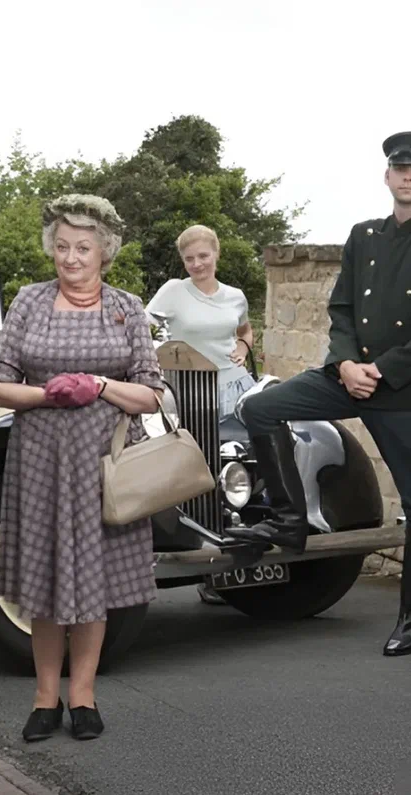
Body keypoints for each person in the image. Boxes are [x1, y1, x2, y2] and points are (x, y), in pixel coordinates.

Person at [228, 127, 411, 657]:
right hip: (347, 375)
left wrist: (378, 370)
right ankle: (289, 522)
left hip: (409, 393)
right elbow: (341, 309)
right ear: (387, 175)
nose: (408, 177)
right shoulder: (364, 236)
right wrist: (343, 363)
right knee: (261, 408)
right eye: (400, 169)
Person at [0, 194, 163, 742]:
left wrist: (99, 385)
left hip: (104, 464)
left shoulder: (127, 308)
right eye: (62, 247)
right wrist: (48, 393)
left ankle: (83, 696)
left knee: (92, 581)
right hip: (40, 461)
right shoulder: (29, 302)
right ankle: (45, 698)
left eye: (83, 248)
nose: (71, 258)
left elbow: (152, 394)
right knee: (45, 581)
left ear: (104, 251)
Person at [146, 224, 254, 606]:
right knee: (197, 473)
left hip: (233, 387)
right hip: (189, 391)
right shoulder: (173, 291)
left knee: (236, 471)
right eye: (189, 259)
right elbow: (144, 327)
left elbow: (245, 330)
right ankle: (206, 565)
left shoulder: (235, 295)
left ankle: (238, 558)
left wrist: (243, 347)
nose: (197, 264)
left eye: (203, 256)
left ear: (216, 254)